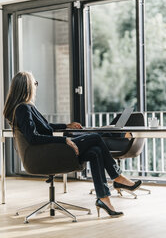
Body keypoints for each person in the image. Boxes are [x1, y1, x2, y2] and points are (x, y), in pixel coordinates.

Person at [3, 71, 142, 218]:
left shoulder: (26, 107)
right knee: (95, 137)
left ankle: (104, 199)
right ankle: (117, 176)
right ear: (27, 87)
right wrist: (63, 140)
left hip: (47, 152)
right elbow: (33, 138)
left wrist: (67, 125)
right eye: (34, 83)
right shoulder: (23, 109)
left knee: (95, 151)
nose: (36, 87)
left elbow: (45, 127)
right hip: (45, 155)